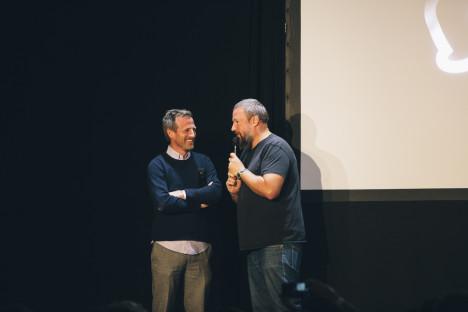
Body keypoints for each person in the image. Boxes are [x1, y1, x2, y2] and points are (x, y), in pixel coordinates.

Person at [226, 99, 306, 312]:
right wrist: (236, 194)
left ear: (254, 120)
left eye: (237, 122)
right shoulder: (247, 152)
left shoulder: (274, 147)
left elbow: (271, 190)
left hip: (278, 243)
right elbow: (252, 197)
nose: (233, 128)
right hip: (256, 244)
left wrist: (242, 171)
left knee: (284, 306)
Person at [147, 109, 222, 312]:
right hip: (167, 248)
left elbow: (215, 192)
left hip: (200, 248)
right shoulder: (157, 165)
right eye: (187, 130)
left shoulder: (203, 161)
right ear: (171, 133)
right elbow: (163, 202)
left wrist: (183, 194)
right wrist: (198, 203)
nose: (193, 134)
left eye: (194, 129)